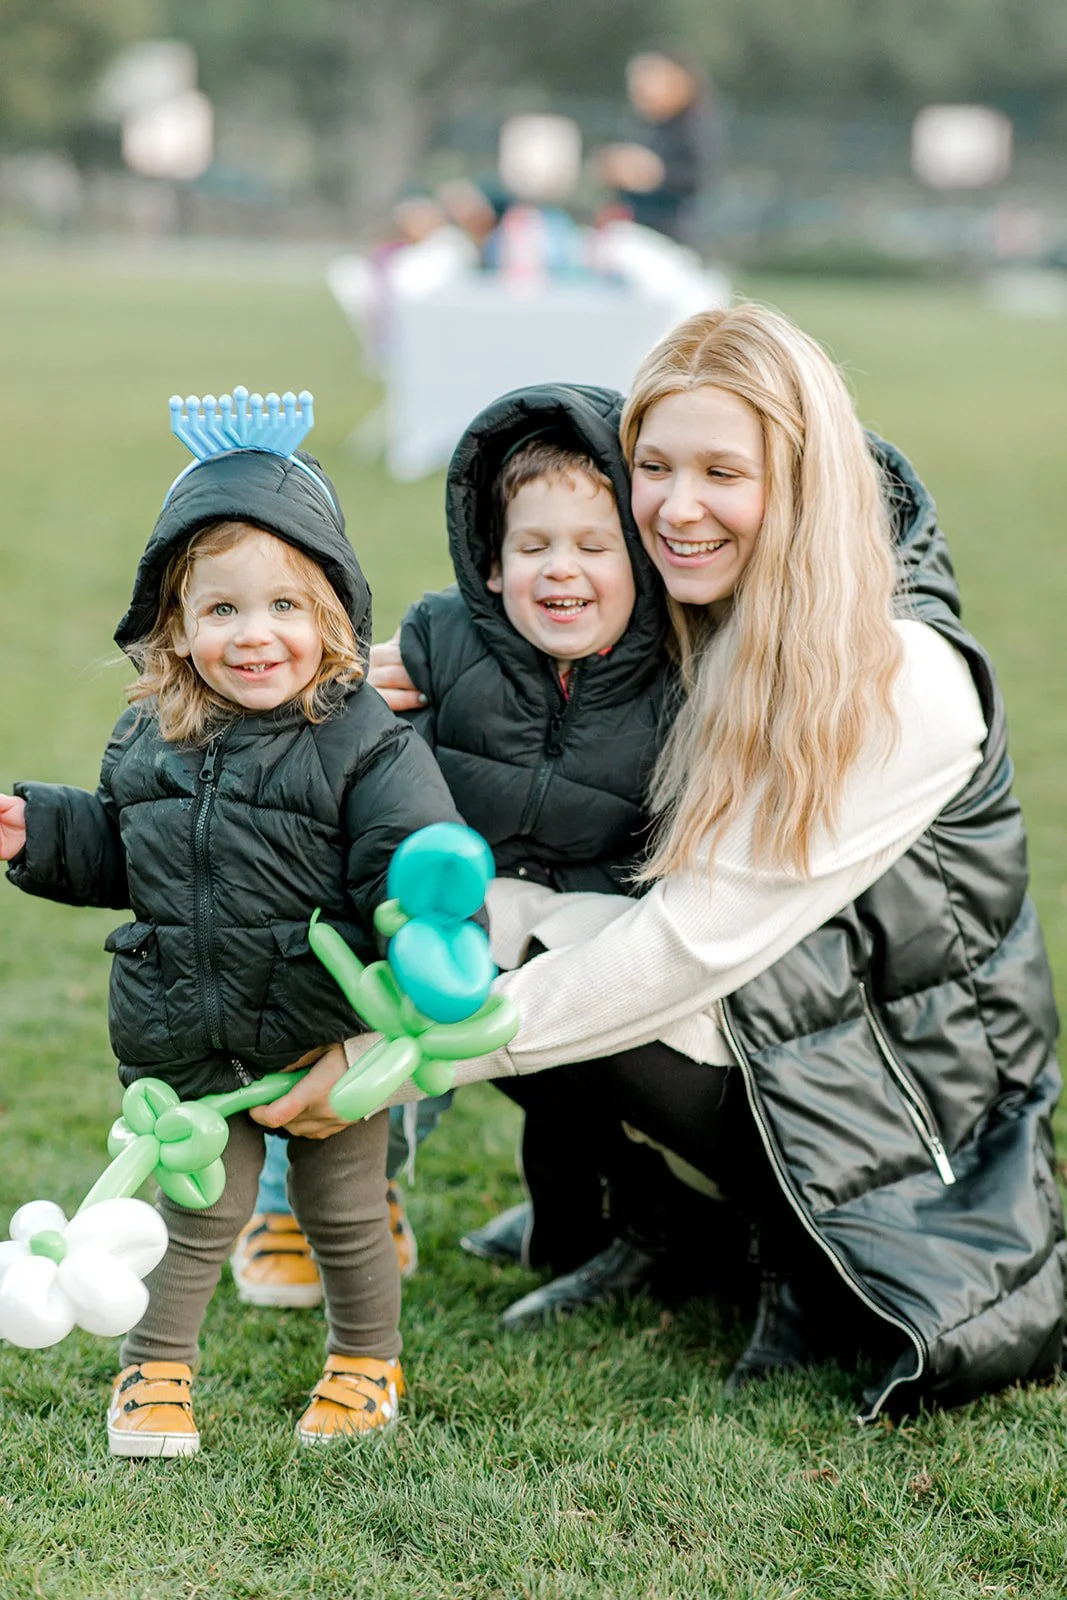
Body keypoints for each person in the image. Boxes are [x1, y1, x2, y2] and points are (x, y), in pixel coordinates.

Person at [258, 303, 1064, 1419]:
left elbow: (688, 946)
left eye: (721, 472)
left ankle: (790, 1254)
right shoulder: (706, 601)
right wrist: (429, 674)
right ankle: (659, 1225)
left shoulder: (901, 676)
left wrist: (395, 1059)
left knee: (542, 961)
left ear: (802, 480)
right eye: (653, 467)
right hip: (788, 1009)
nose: (677, 508)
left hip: (911, 1085)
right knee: (489, 911)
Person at [0, 412, 465, 1455]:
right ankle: (154, 1371)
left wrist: (424, 943)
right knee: (195, 1213)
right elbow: (129, 853)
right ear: (175, 625)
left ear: (332, 612)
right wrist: (46, 833)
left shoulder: (365, 743)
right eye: (222, 608)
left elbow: (412, 864)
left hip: (319, 1030)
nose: (254, 634)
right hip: (188, 1030)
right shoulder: (152, 731)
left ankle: (365, 1360)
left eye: (284, 605)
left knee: (342, 1207)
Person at [241, 380, 686, 1296]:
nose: (560, 570)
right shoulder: (444, 638)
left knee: (588, 1044)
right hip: (446, 890)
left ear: (642, 560)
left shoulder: (677, 670)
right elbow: (354, 741)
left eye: (592, 546)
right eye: (533, 546)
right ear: (490, 563)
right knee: (384, 991)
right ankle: (314, 1198)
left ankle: (598, 1218)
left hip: (587, 904)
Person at [598, 49, 722, 246]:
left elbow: (696, 179)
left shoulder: (690, 127)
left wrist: (655, 174)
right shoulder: (639, 126)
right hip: (633, 228)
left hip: (672, 235)